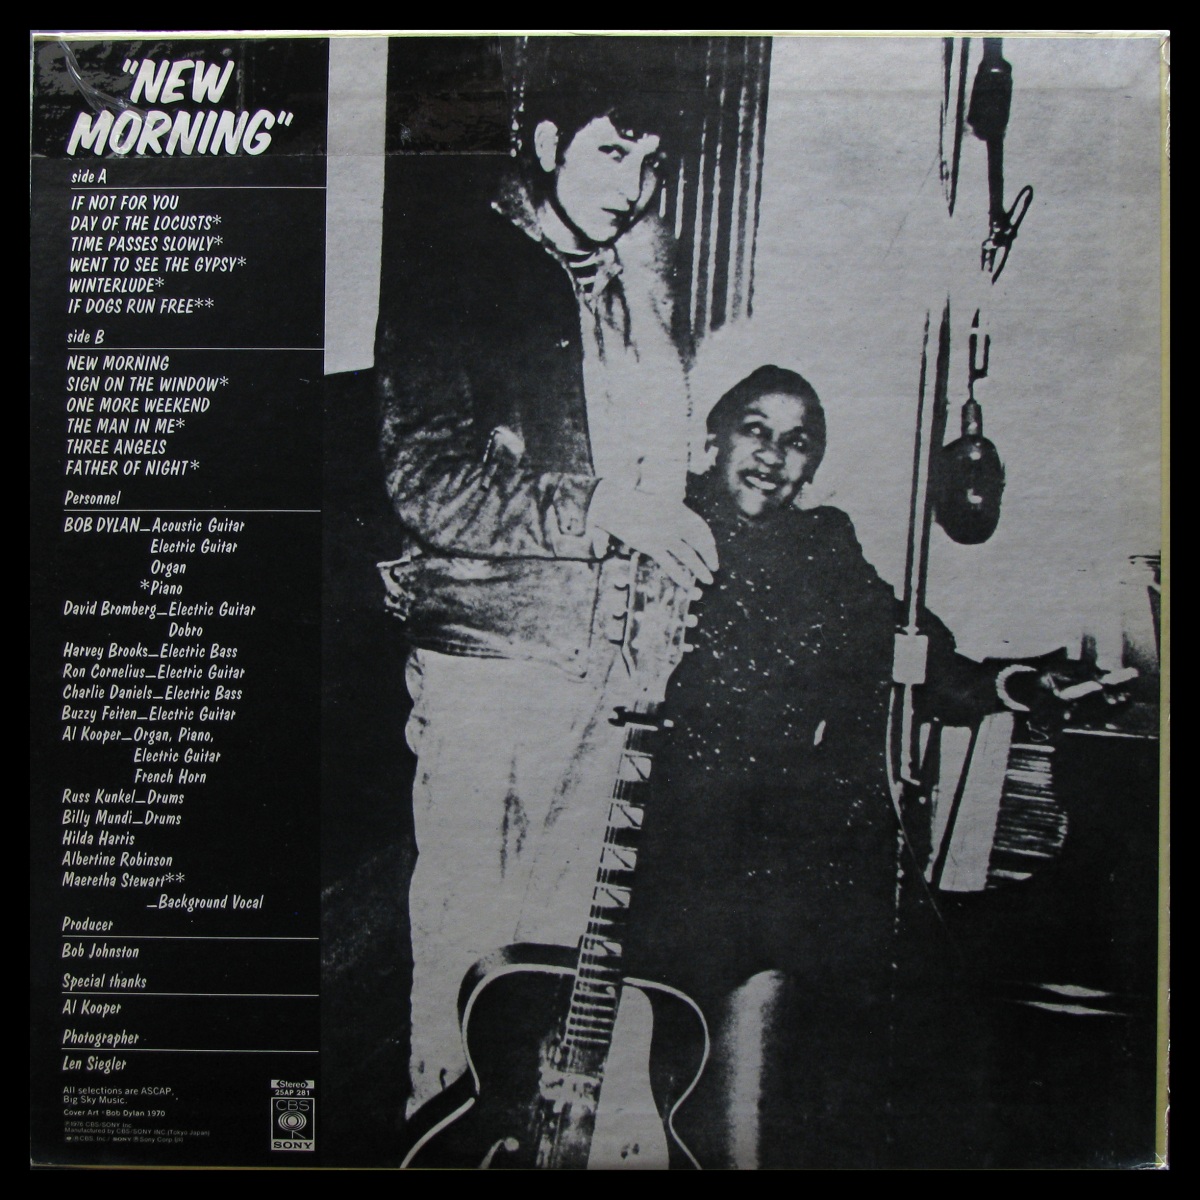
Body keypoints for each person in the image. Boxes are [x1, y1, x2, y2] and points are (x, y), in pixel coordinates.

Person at [375, 42, 718, 1116]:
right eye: (612, 153)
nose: (633, 186)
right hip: (493, 665)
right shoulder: (456, 265)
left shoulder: (630, 284)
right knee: (464, 973)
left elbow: (644, 471)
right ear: (548, 142)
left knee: (560, 976)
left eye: (651, 165)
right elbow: (427, 482)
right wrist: (603, 508)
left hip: (609, 668)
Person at [623, 365, 1013, 1168]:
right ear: (713, 440)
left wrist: (998, 685)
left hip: (781, 839)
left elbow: (903, 637)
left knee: (842, 989)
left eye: (797, 442)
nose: (773, 455)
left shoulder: (823, 543)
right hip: (660, 828)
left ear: (812, 466)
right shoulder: (663, 523)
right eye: (755, 430)